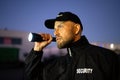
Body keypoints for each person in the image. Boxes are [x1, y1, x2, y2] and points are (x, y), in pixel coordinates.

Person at [25, 12, 119, 80]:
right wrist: (37, 50)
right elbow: (32, 77)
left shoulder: (106, 58)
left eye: (60, 27)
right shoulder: (56, 65)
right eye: (54, 29)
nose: (55, 33)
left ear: (76, 29)